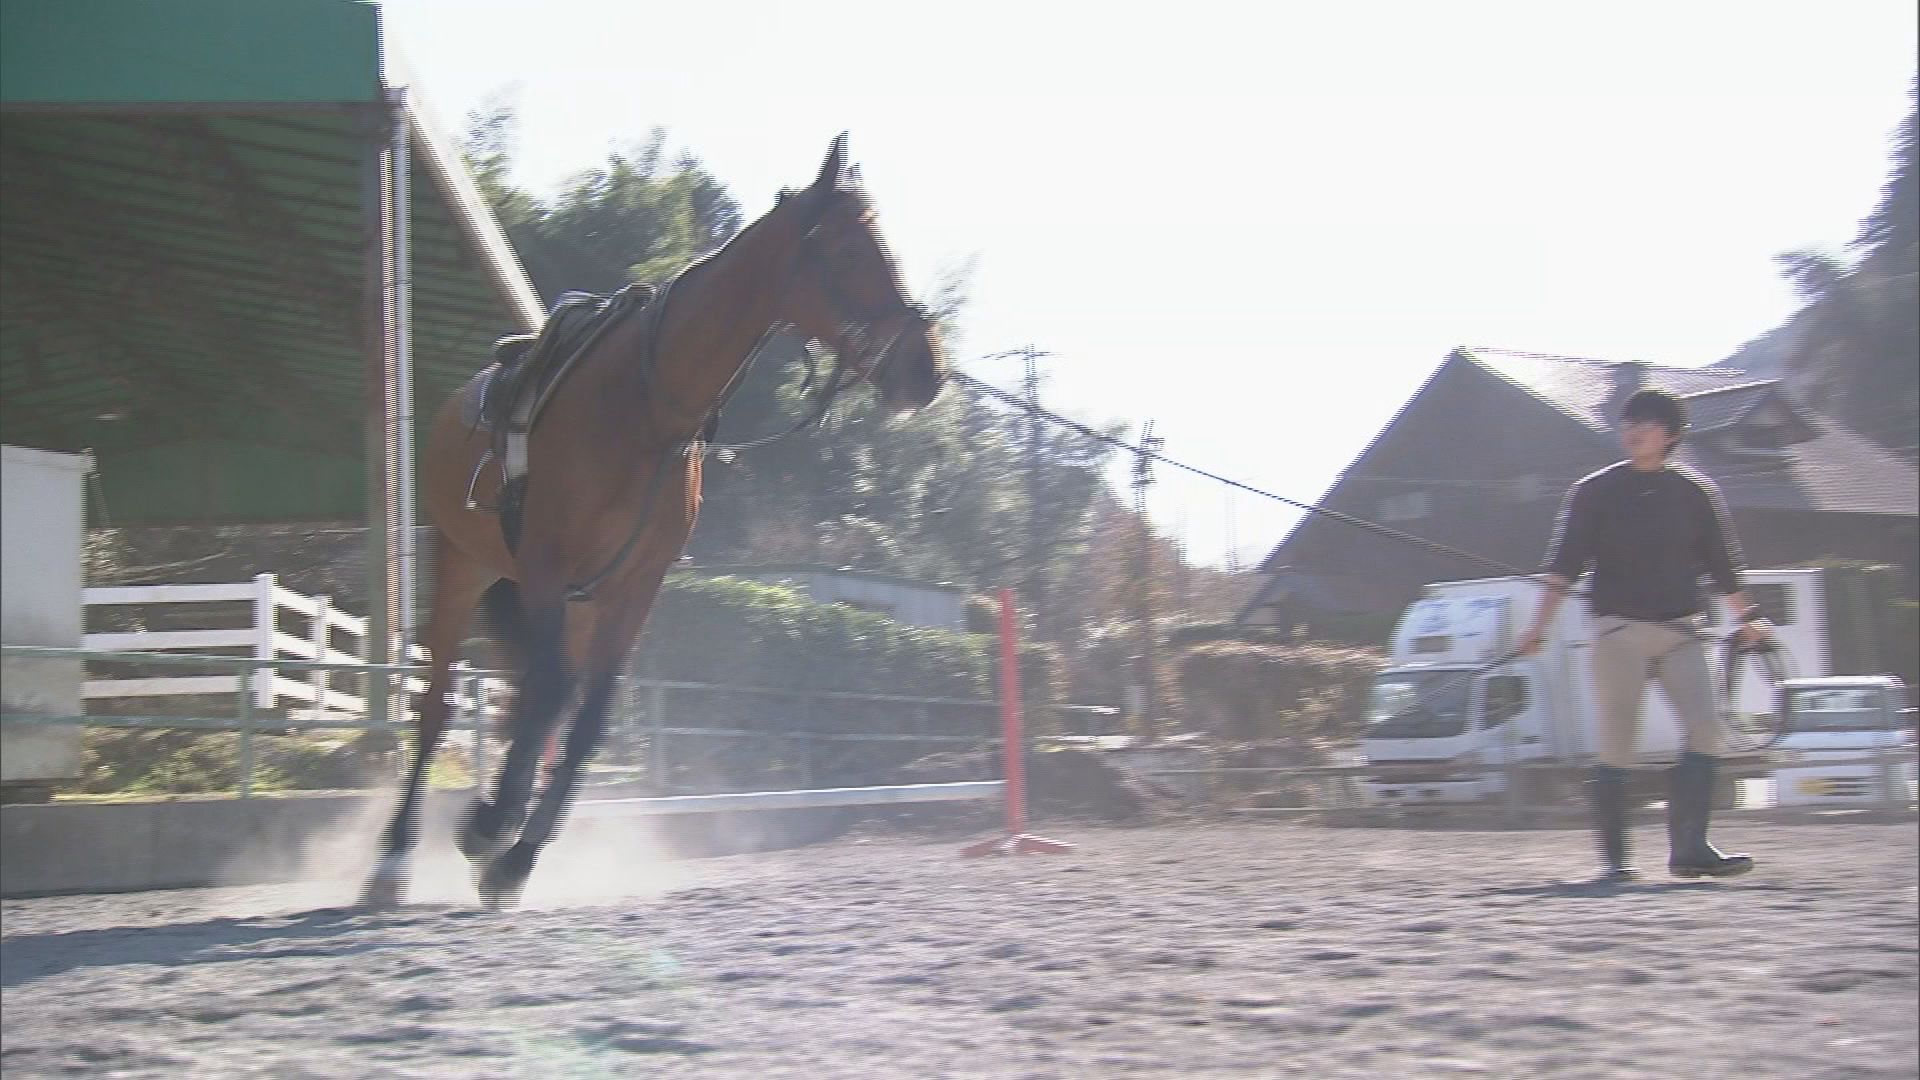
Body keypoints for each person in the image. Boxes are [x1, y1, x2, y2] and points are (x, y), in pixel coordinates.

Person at [1516, 388, 1771, 883]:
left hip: (1681, 632)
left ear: (1671, 435)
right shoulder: (1593, 491)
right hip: (1618, 633)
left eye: (1647, 423)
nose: (1633, 429)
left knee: (1707, 730)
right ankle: (1616, 860)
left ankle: (1691, 848)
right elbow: (1563, 565)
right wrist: (1537, 628)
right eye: (1628, 420)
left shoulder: (1695, 494)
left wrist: (1747, 619)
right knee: (1617, 745)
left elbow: (1723, 566)